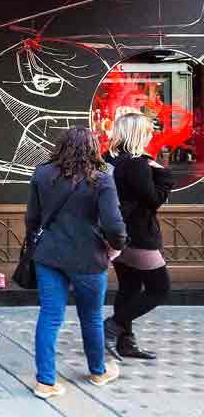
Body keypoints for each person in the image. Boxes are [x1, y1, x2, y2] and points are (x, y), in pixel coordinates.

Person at [26, 127, 126, 399]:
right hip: (89, 258)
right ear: (93, 148)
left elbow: (32, 219)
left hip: (50, 256)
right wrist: (116, 248)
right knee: (92, 318)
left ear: (61, 146)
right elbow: (114, 224)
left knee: (49, 317)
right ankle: (98, 371)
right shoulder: (102, 179)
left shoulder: (42, 173)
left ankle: (45, 382)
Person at [104, 112, 173, 360]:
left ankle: (126, 342)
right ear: (137, 133)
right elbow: (153, 199)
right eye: (147, 130)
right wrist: (163, 174)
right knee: (160, 288)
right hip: (138, 236)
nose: (150, 134)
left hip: (116, 235)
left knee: (130, 288)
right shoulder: (136, 164)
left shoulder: (108, 159)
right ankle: (112, 326)